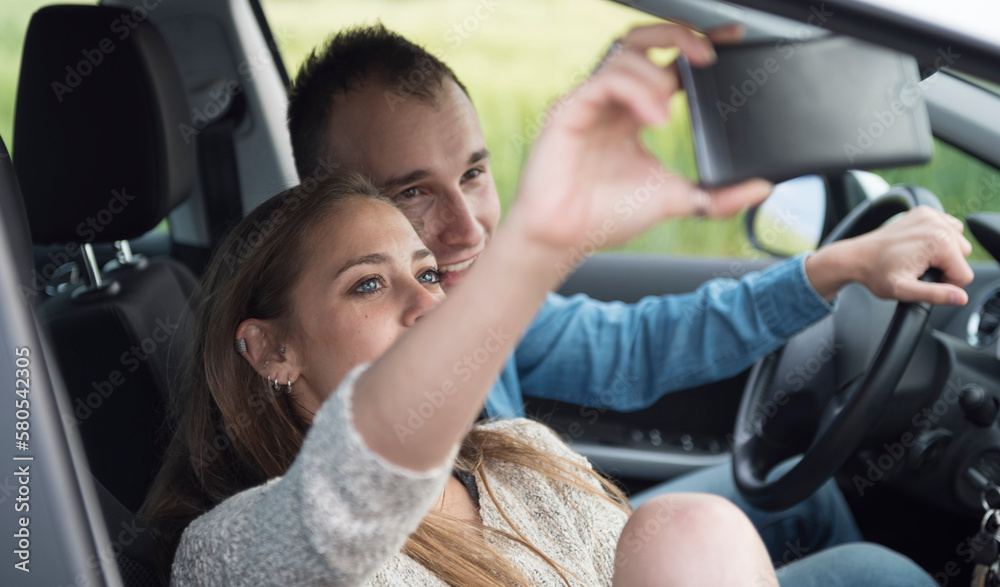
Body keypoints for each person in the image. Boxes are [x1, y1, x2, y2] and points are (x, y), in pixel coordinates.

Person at [284, 21, 972, 581]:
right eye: (411, 192)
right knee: (878, 573)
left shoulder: (476, 314)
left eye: (472, 173)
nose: (467, 229)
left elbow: (633, 348)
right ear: (331, 208)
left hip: (552, 541)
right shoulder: (328, 413)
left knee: (806, 493)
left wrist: (836, 268)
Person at [141, 76, 802, 583]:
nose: (427, 305)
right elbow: (349, 496)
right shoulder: (228, 550)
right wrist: (538, 243)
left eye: (426, 275)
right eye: (367, 284)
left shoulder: (523, 454)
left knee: (691, 526)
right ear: (270, 350)